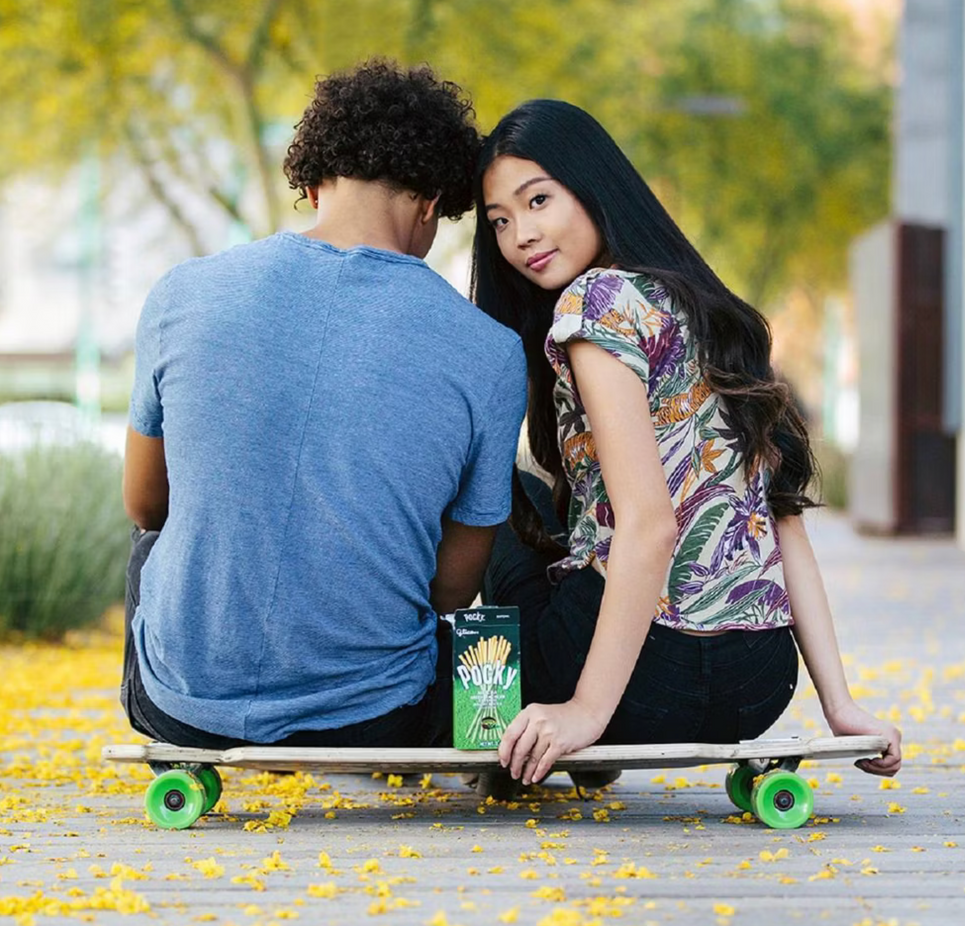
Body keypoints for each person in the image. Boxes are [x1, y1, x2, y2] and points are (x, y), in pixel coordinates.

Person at [471, 99, 901, 789]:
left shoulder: (596, 305)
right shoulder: (712, 315)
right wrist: (839, 706)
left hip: (642, 680)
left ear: (593, 185)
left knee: (496, 488)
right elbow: (781, 526)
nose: (521, 234)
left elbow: (649, 526)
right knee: (553, 513)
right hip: (757, 683)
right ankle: (598, 724)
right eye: (499, 221)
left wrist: (585, 711)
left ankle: (545, 722)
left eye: (538, 200)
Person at [120, 60, 527, 750]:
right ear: (431, 201)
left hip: (184, 710)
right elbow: (450, 594)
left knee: (150, 551)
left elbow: (145, 506)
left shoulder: (181, 293)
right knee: (510, 517)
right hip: (380, 717)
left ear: (312, 186)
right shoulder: (490, 351)